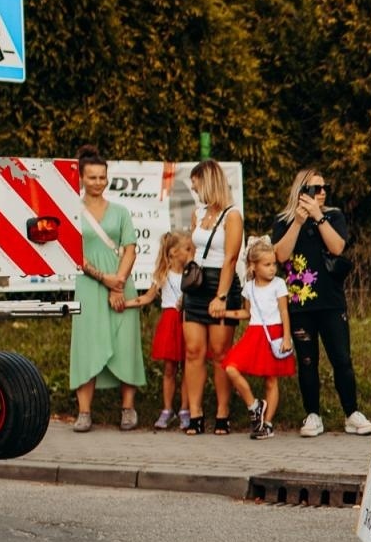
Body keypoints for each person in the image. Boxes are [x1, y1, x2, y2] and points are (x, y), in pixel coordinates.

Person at [270, 167, 371, 436]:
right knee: (307, 361)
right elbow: (280, 255)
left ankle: (352, 412)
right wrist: (298, 222)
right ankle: (312, 414)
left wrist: (318, 218)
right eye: (317, 188)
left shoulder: (333, 216)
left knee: (341, 358)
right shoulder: (283, 220)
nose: (323, 192)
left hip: (331, 301)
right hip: (300, 304)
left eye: (325, 187)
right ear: (302, 191)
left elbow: (337, 247)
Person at [70, 146, 144, 432]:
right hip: (89, 285)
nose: (98, 182)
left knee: (125, 344)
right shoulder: (74, 213)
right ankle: (84, 412)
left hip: (121, 283)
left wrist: (118, 284)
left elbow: (130, 248)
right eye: (92, 177)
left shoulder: (121, 212)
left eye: (102, 177)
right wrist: (104, 279)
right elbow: (75, 254)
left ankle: (128, 409)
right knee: (87, 345)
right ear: (81, 178)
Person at [182, 160, 243, 436]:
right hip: (196, 286)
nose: (194, 188)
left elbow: (230, 258)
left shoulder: (232, 215)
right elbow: (193, 250)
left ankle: (222, 412)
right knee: (193, 351)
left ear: (208, 182)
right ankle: (195, 414)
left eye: (196, 183)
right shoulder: (198, 213)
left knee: (220, 354)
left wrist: (221, 296)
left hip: (222, 283)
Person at [224, 239, 296, 439]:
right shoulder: (248, 287)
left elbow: (284, 311)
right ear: (253, 266)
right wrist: (225, 314)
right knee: (230, 367)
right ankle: (254, 405)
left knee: (271, 380)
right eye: (267, 265)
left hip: (273, 333)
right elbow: (246, 313)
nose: (272, 268)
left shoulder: (279, 284)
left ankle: (267, 423)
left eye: (274, 264)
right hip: (254, 334)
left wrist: (287, 337)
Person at [124, 230, 192, 430]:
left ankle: (186, 410)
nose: (191, 252)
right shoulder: (163, 275)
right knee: (170, 368)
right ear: (173, 253)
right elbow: (146, 297)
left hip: (187, 321)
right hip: (170, 322)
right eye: (187, 249)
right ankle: (167, 409)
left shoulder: (192, 272)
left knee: (189, 367)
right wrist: (126, 303)